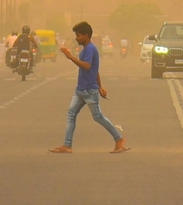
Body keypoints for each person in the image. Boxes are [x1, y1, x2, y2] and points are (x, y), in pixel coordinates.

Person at [50, 22, 128, 154]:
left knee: (98, 116)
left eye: (78, 35)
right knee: (71, 114)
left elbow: (87, 66)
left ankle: (119, 139)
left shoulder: (90, 49)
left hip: (88, 90)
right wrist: (100, 86)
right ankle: (67, 145)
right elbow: (94, 70)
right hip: (82, 89)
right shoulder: (87, 49)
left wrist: (70, 57)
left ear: (86, 35)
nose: (76, 38)